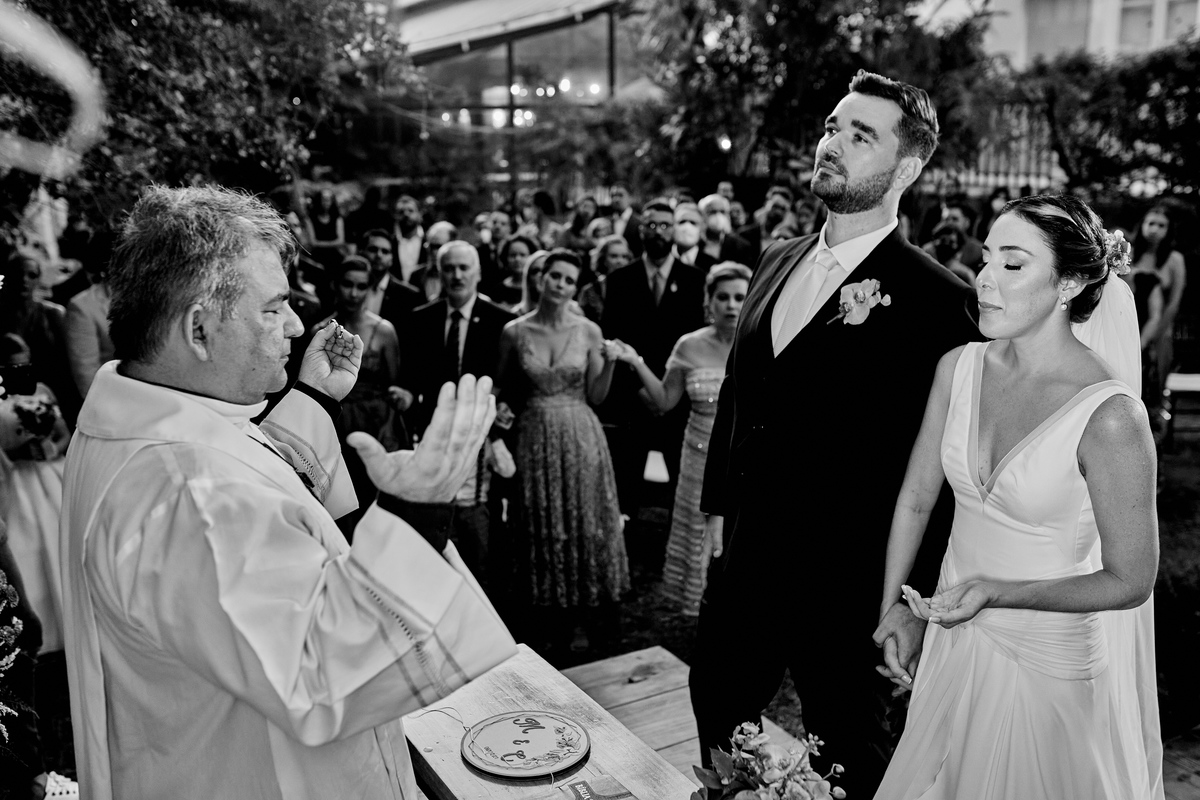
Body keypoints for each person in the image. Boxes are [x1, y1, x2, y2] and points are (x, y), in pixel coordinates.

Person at [59, 186, 517, 800]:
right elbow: (318, 674)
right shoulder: (184, 489)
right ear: (199, 328)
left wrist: (310, 401)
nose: (298, 325)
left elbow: (244, 499)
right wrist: (418, 514)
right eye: (274, 308)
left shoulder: (150, 421)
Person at [691, 71, 979, 796]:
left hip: (849, 583)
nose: (833, 143)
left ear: (905, 169)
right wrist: (719, 511)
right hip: (748, 561)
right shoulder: (775, 258)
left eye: (860, 135)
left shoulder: (939, 300)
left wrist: (911, 599)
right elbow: (739, 394)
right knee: (716, 705)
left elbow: (948, 471)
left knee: (852, 754)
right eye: (831, 127)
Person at [874, 194, 1162, 799]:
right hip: (954, 643)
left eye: (1012, 264)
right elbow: (917, 498)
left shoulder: (1110, 416)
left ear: (1069, 284)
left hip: (1047, 669)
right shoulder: (958, 368)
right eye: (985, 259)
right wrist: (896, 607)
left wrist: (997, 593)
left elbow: (1132, 579)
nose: (983, 278)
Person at [496, 248, 630, 653]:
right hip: (534, 435)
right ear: (540, 278)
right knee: (540, 516)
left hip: (580, 433)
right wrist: (499, 411)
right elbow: (502, 386)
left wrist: (610, 363)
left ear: (576, 287)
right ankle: (547, 616)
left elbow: (597, 396)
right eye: (555, 276)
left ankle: (591, 614)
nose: (560, 284)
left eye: (570, 280)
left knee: (585, 516)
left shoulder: (588, 330)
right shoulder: (514, 331)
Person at [613, 263, 751, 615]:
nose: (731, 305)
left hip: (744, 455)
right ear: (709, 301)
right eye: (723, 297)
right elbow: (664, 402)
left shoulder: (760, 342)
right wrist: (635, 362)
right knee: (696, 529)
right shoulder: (689, 345)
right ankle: (699, 603)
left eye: (739, 297)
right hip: (698, 454)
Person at [601, 199, 706, 516]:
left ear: (674, 230)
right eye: (651, 225)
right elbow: (613, 339)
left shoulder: (696, 280)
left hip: (681, 400)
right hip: (634, 397)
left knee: (682, 491)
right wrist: (641, 389)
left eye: (665, 225)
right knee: (627, 489)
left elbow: (698, 341)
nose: (658, 231)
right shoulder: (620, 280)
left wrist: (672, 391)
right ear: (640, 230)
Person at [315, 255, 408, 534]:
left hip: (375, 423)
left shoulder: (384, 331)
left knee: (375, 499)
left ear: (370, 289)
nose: (353, 293)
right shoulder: (321, 331)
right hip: (336, 423)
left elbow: (394, 383)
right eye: (347, 284)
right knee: (339, 501)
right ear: (336, 285)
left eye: (361, 286)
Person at [398, 241, 514, 439]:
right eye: (449, 269)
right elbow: (411, 375)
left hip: (483, 429)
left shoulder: (501, 321)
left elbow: (508, 380)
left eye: (464, 268)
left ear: (478, 273)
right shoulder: (421, 319)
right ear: (439, 274)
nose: (457, 276)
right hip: (433, 427)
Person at [1130, 205, 1187, 406]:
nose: (1154, 229)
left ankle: (1157, 415)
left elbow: (1174, 302)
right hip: (1130, 322)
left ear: (1168, 230)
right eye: (1151, 223)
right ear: (1142, 225)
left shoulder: (1174, 259)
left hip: (1160, 326)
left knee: (1153, 379)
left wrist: (1158, 333)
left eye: (1161, 225)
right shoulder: (1129, 253)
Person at [579, 235, 633, 324]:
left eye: (624, 257)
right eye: (614, 256)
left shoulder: (635, 288)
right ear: (603, 259)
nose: (620, 261)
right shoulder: (589, 291)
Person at [492, 233, 539, 309]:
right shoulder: (499, 290)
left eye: (522, 255)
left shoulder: (538, 288)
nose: (517, 259)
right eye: (513, 255)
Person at [304, 188, 345, 271]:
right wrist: (332, 243)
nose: (327, 202)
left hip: (335, 256)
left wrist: (320, 243)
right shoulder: (310, 219)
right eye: (324, 199)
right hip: (316, 256)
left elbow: (340, 241)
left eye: (329, 199)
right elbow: (312, 242)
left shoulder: (337, 218)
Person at [391, 194, 425, 283]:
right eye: (401, 212)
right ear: (395, 215)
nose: (406, 214)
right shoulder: (390, 243)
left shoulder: (429, 241)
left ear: (419, 213)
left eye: (410, 211)